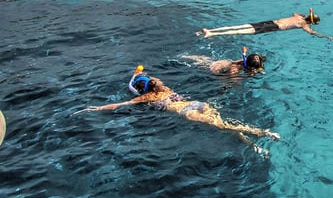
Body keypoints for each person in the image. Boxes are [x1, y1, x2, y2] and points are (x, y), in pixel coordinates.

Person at [77, 66, 280, 144]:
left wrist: (95, 108)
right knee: (224, 125)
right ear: (153, 85)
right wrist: (138, 74)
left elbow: (119, 104)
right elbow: (144, 83)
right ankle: (253, 144)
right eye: (156, 80)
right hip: (197, 104)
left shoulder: (149, 97)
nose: (159, 80)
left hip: (186, 111)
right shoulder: (161, 90)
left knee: (224, 126)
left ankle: (263, 133)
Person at [197, 9, 333, 41]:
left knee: (240, 27)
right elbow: (312, 33)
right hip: (272, 27)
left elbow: (295, 11)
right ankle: (211, 33)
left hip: (271, 22)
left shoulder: (299, 17)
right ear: (312, 21)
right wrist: (327, 37)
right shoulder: (304, 24)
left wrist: (309, 13)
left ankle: (210, 31)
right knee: (240, 31)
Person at [182, 46, 266, 75]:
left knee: (201, 60)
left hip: (221, 62)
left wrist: (244, 51)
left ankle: (184, 56)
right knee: (202, 64)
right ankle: (183, 57)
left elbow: (245, 55)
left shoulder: (243, 61)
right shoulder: (235, 70)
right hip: (214, 69)